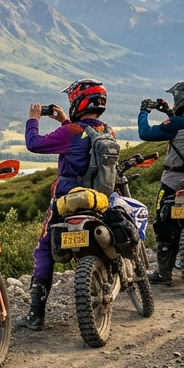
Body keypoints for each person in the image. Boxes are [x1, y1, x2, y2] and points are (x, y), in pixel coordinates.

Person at [18, 79, 116, 331]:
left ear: (79, 102)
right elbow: (86, 145)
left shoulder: (72, 132)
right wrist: (64, 121)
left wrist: (33, 119)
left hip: (67, 201)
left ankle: (36, 315)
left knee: (44, 249)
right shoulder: (108, 131)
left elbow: (34, 143)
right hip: (99, 199)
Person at [137, 82, 184, 285]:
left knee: (162, 222)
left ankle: (164, 272)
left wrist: (144, 111)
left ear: (181, 98)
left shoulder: (178, 123)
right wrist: (169, 113)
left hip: (173, 182)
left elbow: (145, 133)